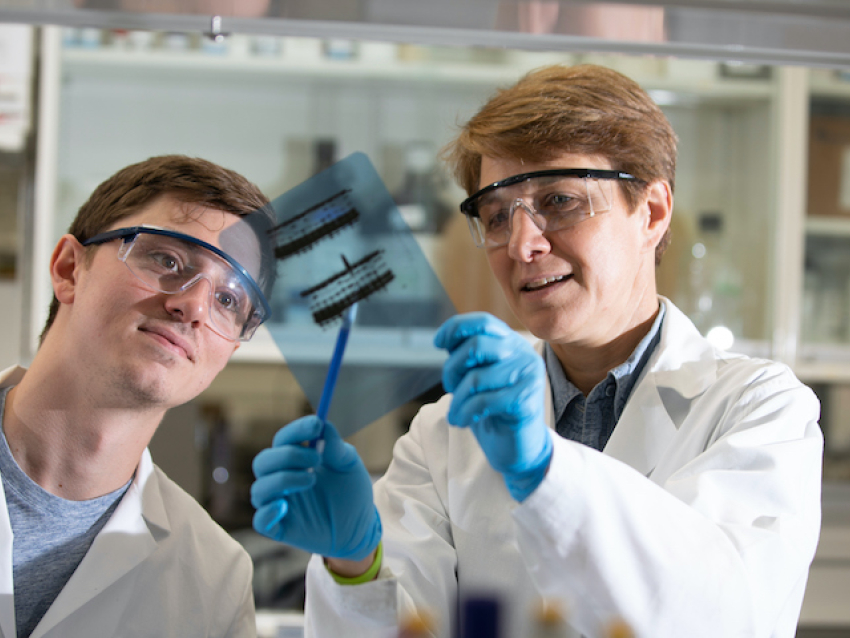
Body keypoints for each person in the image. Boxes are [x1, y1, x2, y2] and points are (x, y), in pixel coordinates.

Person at [250, 65, 824, 638]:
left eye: (561, 200)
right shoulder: (445, 435)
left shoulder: (761, 411)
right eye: (498, 216)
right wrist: (356, 566)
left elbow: (717, 617)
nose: (523, 245)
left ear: (651, 212)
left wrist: (544, 473)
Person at [1, 154, 276, 637]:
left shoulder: (215, 580)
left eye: (228, 299)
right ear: (69, 269)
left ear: (229, 349)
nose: (192, 305)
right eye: (167, 260)